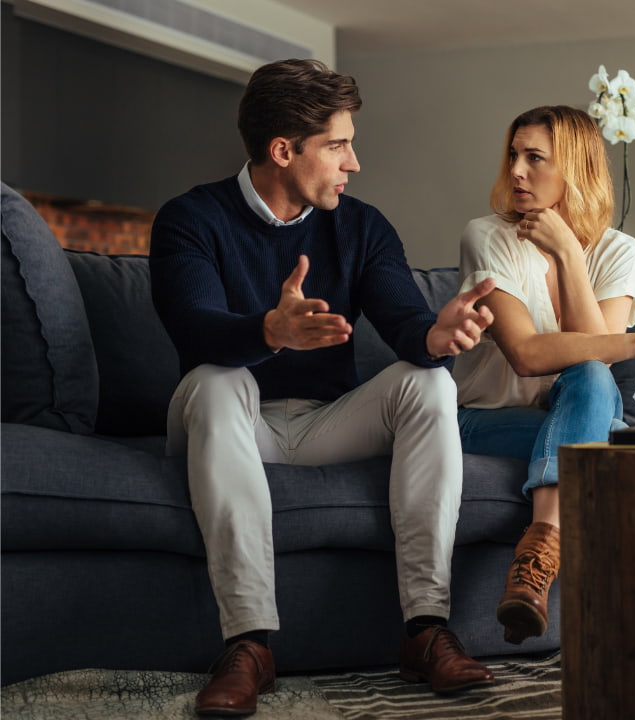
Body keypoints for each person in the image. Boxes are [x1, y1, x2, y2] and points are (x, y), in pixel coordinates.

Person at [150, 59, 498, 717]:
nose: (354, 162)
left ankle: (426, 630)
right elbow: (195, 331)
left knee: (427, 385)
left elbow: (403, 321)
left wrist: (437, 337)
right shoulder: (191, 219)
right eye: (338, 145)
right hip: (229, 423)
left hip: (323, 423)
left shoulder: (361, 227)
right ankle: (248, 645)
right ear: (284, 151)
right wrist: (270, 332)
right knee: (216, 380)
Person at [451, 105, 635, 643]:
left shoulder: (620, 251)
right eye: (513, 156)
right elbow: (525, 354)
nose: (517, 171)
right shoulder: (487, 236)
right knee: (606, 445)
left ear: (573, 168)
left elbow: (591, 360)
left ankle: (538, 556)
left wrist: (571, 255)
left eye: (535, 158)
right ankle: (562, 557)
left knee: (593, 384)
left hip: (568, 416)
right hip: (481, 419)